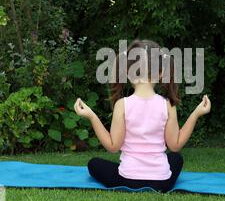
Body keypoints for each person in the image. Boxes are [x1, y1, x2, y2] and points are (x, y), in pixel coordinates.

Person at [74, 38, 211, 193]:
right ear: (160, 74)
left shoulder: (122, 105)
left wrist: (92, 116)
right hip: (161, 182)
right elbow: (175, 145)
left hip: (128, 180)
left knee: (94, 164)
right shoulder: (167, 105)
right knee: (176, 158)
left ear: (128, 72)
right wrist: (196, 113)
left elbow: (113, 147)